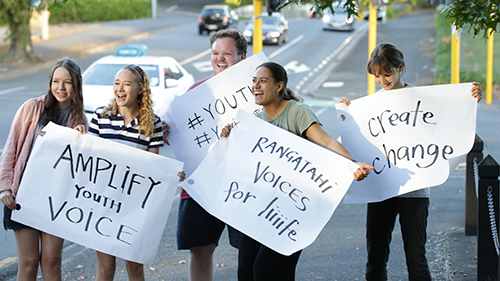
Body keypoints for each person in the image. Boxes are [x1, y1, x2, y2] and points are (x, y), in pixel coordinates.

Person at [338, 42, 483, 281]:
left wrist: (469, 101)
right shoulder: (369, 106)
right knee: (375, 257)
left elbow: (451, 118)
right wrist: (346, 113)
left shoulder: (422, 98)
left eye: (387, 73)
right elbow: (353, 141)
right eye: (376, 76)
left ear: (401, 68)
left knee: (416, 257)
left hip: (415, 190)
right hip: (381, 190)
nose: (382, 80)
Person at [220, 61, 374, 281]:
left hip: (290, 214)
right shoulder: (255, 121)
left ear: (279, 86)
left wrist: (353, 163)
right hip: (259, 210)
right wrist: (228, 140)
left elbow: (327, 142)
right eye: (254, 81)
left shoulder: (297, 111)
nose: (256, 86)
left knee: (266, 271)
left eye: (263, 81)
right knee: (245, 272)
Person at [162, 28, 248, 281]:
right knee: (200, 250)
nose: (220, 59)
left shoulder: (257, 90)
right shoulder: (194, 92)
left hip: (243, 183)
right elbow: (176, 134)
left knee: (250, 248)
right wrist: (166, 131)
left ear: (242, 57)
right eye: (215, 53)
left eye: (227, 53)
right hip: (200, 185)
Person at [75, 64, 167, 281]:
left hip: (134, 208)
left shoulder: (152, 123)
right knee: (106, 269)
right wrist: (80, 137)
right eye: (117, 83)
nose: (120, 89)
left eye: (127, 84)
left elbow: (154, 167)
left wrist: (171, 175)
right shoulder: (100, 116)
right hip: (103, 204)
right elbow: (92, 160)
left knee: (135, 268)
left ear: (140, 89)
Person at [0, 58, 88, 281]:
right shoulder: (32, 108)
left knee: (51, 262)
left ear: (76, 85)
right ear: (50, 83)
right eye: (56, 81)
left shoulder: (80, 120)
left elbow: (81, 167)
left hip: (56, 200)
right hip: (24, 194)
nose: (61, 88)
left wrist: (81, 140)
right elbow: (10, 149)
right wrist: (4, 188)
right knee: (29, 263)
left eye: (67, 82)